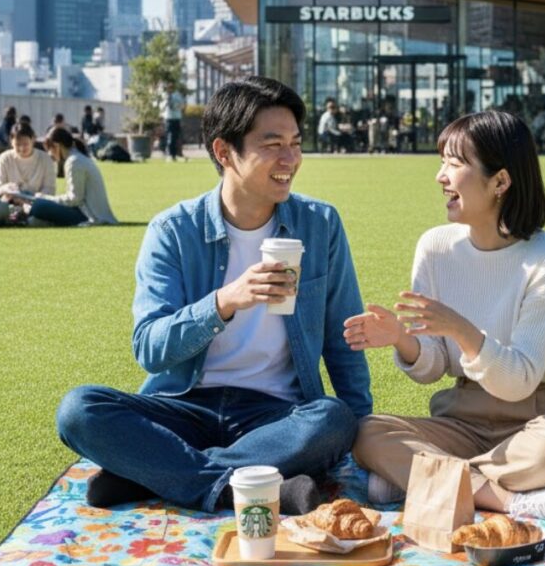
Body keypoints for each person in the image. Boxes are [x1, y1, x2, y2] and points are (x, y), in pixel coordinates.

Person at [55, 76, 371, 512]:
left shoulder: (319, 224)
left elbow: (344, 336)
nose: (291, 159)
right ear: (224, 152)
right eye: (273, 144)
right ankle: (234, 484)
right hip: (183, 409)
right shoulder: (172, 231)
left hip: (276, 416)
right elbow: (149, 348)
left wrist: (360, 429)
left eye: (295, 143)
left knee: (333, 419)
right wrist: (224, 302)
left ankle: (160, 475)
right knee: (79, 409)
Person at [346, 111, 545, 526]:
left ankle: (423, 477)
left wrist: (461, 329)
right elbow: (434, 367)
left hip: (538, 418)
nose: (440, 176)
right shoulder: (436, 246)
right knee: (368, 433)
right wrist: (401, 340)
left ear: (500, 181)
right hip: (461, 419)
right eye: (442, 162)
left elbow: (518, 381)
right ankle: (511, 501)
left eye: (455, 164)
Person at [13, 127, 117, 226]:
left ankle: (23, 215)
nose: (51, 155)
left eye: (50, 150)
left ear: (57, 146)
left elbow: (74, 199)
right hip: (86, 212)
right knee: (36, 207)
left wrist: (47, 198)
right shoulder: (77, 158)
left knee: (38, 206)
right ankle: (29, 218)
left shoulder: (74, 161)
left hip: (89, 216)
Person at [0, 121, 56, 198]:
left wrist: (34, 199)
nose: (22, 148)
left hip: (38, 204)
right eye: (17, 144)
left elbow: (50, 188)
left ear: (33, 140)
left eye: (25, 144)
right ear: (11, 142)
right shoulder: (4, 158)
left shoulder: (45, 159)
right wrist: (8, 188)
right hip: (12, 202)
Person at [162, 84, 184, 161]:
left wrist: (176, 106)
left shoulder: (177, 95)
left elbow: (181, 105)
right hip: (169, 118)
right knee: (170, 137)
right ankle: (169, 154)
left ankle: (175, 154)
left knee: (176, 137)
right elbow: (162, 107)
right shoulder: (164, 96)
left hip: (176, 118)